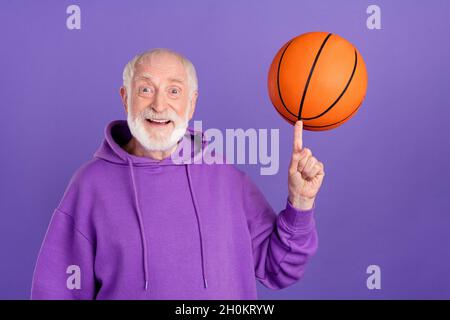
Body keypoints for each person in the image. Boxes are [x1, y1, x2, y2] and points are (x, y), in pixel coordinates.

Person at [31, 48, 325, 299]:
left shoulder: (224, 176)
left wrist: (300, 202)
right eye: (145, 89)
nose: (159, 105)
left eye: (174, 91)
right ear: (125, 98)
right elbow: (56, 290)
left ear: (192, 102)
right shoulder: (90, 185)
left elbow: (280, 270)